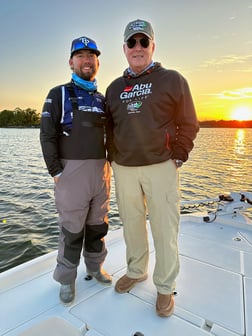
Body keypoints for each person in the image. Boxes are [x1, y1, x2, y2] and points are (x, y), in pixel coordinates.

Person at [105, 19, 199, 317]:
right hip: (125, 168)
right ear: (124, 48)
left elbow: (189, 122)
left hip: (161, 165)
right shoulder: (114, 87)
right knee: (132, 225)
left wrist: (179, 155)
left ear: (152, 46)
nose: (137, 48)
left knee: (164, 228)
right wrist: (112, 157)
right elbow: (109, 127)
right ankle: (136, 270)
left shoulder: (172, 79)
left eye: (143, 42)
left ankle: (165, 287)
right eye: (131, 42)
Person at [40, 36, 112, 305]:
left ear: (97, 62)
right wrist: (56, 172)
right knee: (71, 230)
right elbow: (46, 135)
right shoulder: (58, 93)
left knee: (97, 227)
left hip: (101, 173)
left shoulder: (103, 99)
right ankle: (67, 279)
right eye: (80, 55)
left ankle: (94, 267)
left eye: (91, 55)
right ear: (71, 62)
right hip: (71, 174)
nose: (86, 60)